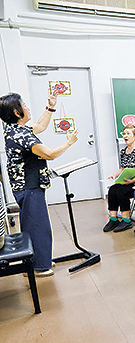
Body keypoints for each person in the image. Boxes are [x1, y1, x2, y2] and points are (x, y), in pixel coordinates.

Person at [0, 90, 78, 277]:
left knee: (33, 225)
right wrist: (69, 143)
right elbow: (49, 154)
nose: (27, 107)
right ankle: (39, 267)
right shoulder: (22, 136)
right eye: (24, 105)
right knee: (38, 226)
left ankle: (36, 262)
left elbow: (41, 126)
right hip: (29, 187)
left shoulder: (13, 129)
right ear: (17, 113)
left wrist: (51, 106)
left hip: (26, 186)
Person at [103, 125, 135, 233]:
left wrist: (133, 181)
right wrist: (115, 175)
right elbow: (122, 168)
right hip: (127, 180)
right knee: (112, 190)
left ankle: (126, 220)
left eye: (128, 133)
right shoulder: (123, 151)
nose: (125, 136)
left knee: (121, 191)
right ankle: (113, 219)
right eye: (124, 133)